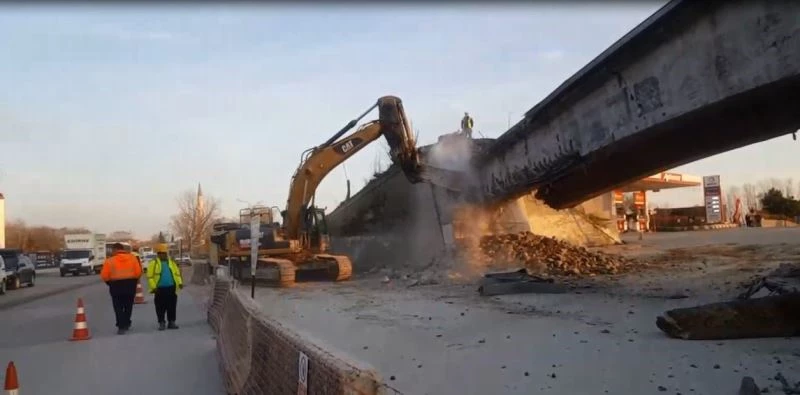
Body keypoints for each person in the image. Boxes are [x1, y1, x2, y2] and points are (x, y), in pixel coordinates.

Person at [100, 242, 143, 335]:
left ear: (115, 250)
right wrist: (134, 281)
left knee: (118, 306)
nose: (111, 252)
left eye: (112, 250)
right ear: (122, 249)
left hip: (115, 285)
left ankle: (121, 326)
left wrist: (109, 283)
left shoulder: (109, 261)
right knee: (128, 305)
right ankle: (126, 322)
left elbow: (104, 275)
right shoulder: (132, 258)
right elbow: (138, 272)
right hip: (130, 284)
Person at [146, 244, 184, 331]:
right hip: (159, 289)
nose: (163, 255)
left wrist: (180, 283)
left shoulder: (171, 263)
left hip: (171, 288)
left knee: (172, 306)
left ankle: (171, 322)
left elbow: (177, 274)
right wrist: (154, 287)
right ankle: (161, 322)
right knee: (160, 307)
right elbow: (150, 277)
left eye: (165, 253)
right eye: (161, 253)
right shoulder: (153, 263)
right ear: (158, 254)